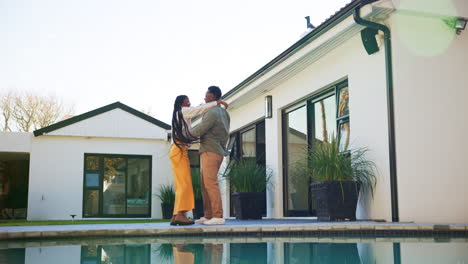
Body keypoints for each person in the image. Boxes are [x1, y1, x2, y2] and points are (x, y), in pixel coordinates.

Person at [170, 95, 228, 225]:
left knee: (181, 184)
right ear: (181, 103)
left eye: (190, 101)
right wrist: (216, 103)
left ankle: (176, 215)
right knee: (185, 184)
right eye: (187, 101)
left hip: (178, 150)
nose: (190, 103)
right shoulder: (183, 111)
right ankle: (180, 214)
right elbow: (199, 109)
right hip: (179, 150)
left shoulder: (181, 115)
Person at [190, 86, 230, 225]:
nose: (204, 98)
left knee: (210, 183)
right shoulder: (224, 113)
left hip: (210, 150)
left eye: (206, 96)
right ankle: (208, 215)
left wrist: (184, 136)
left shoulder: (212, 112)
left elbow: (201, 129)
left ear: (212, 97)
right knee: (205, 183)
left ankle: (218, 216)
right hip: (215, 150)